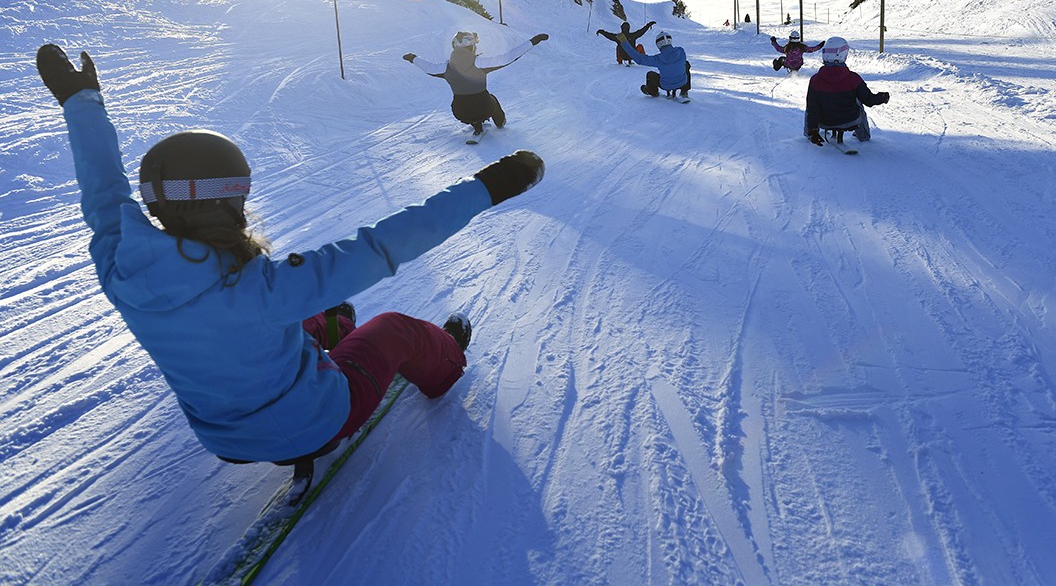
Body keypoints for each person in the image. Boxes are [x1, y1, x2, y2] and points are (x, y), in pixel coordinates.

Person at [35, 43, 545, 467]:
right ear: (231, 197)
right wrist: (489, 186)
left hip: (222, 442)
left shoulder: (119, 262)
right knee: (395, 328)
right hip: (316, 426)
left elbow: (104, 194)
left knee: (313, 316)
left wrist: (80, 102)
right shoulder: (267, 288)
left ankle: (335, 328)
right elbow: (386, 243)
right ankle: (446, 362)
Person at [403, 30, 549, 139]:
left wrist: (412, 58)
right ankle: (500, 122)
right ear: (472, 47)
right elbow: (508, 58)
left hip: (459, 113)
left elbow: (428, 68)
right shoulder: (478, 63)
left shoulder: (446, 67)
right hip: (484, 109)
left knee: (468, 102)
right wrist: (533, 41)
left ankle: (477, 125)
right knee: (490, 98)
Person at [804, 36, 890, 145]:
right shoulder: (853, 79)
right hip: (850, 121)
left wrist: (813, 129)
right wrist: (881, 97)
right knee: (859, 103)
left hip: (824, 122)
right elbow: (869, 100)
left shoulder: (815, 80)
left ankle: (810, 133)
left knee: (811, 106)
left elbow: (812, 108)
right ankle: (863, 136)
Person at [619, 29, 691, 99]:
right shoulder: (681, 51)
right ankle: (684, 91)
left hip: (666, 85)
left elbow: (639, 59)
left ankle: (653, 92)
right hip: (683, 82)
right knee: (686, 64)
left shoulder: (658, 59)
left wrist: (624, 42)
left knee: (650, 74)